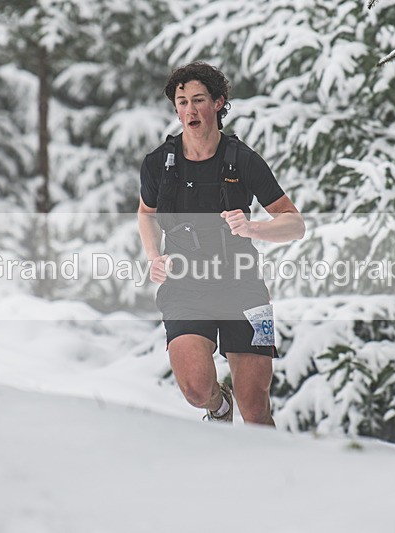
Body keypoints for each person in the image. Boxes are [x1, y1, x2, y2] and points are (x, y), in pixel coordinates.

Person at [138, 62, 304, 426]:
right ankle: (219, 406)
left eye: (198, 100)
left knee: (256, 409)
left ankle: (273, 476)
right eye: (182, 102)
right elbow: (146, 213)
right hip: (184, 284)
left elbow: (295, 224)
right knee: (197, 389)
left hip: (242, 286)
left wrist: (254, 229)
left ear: (218, 103)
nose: (190, 110)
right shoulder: (158, 164)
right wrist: (153, 256)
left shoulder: (242, 160)